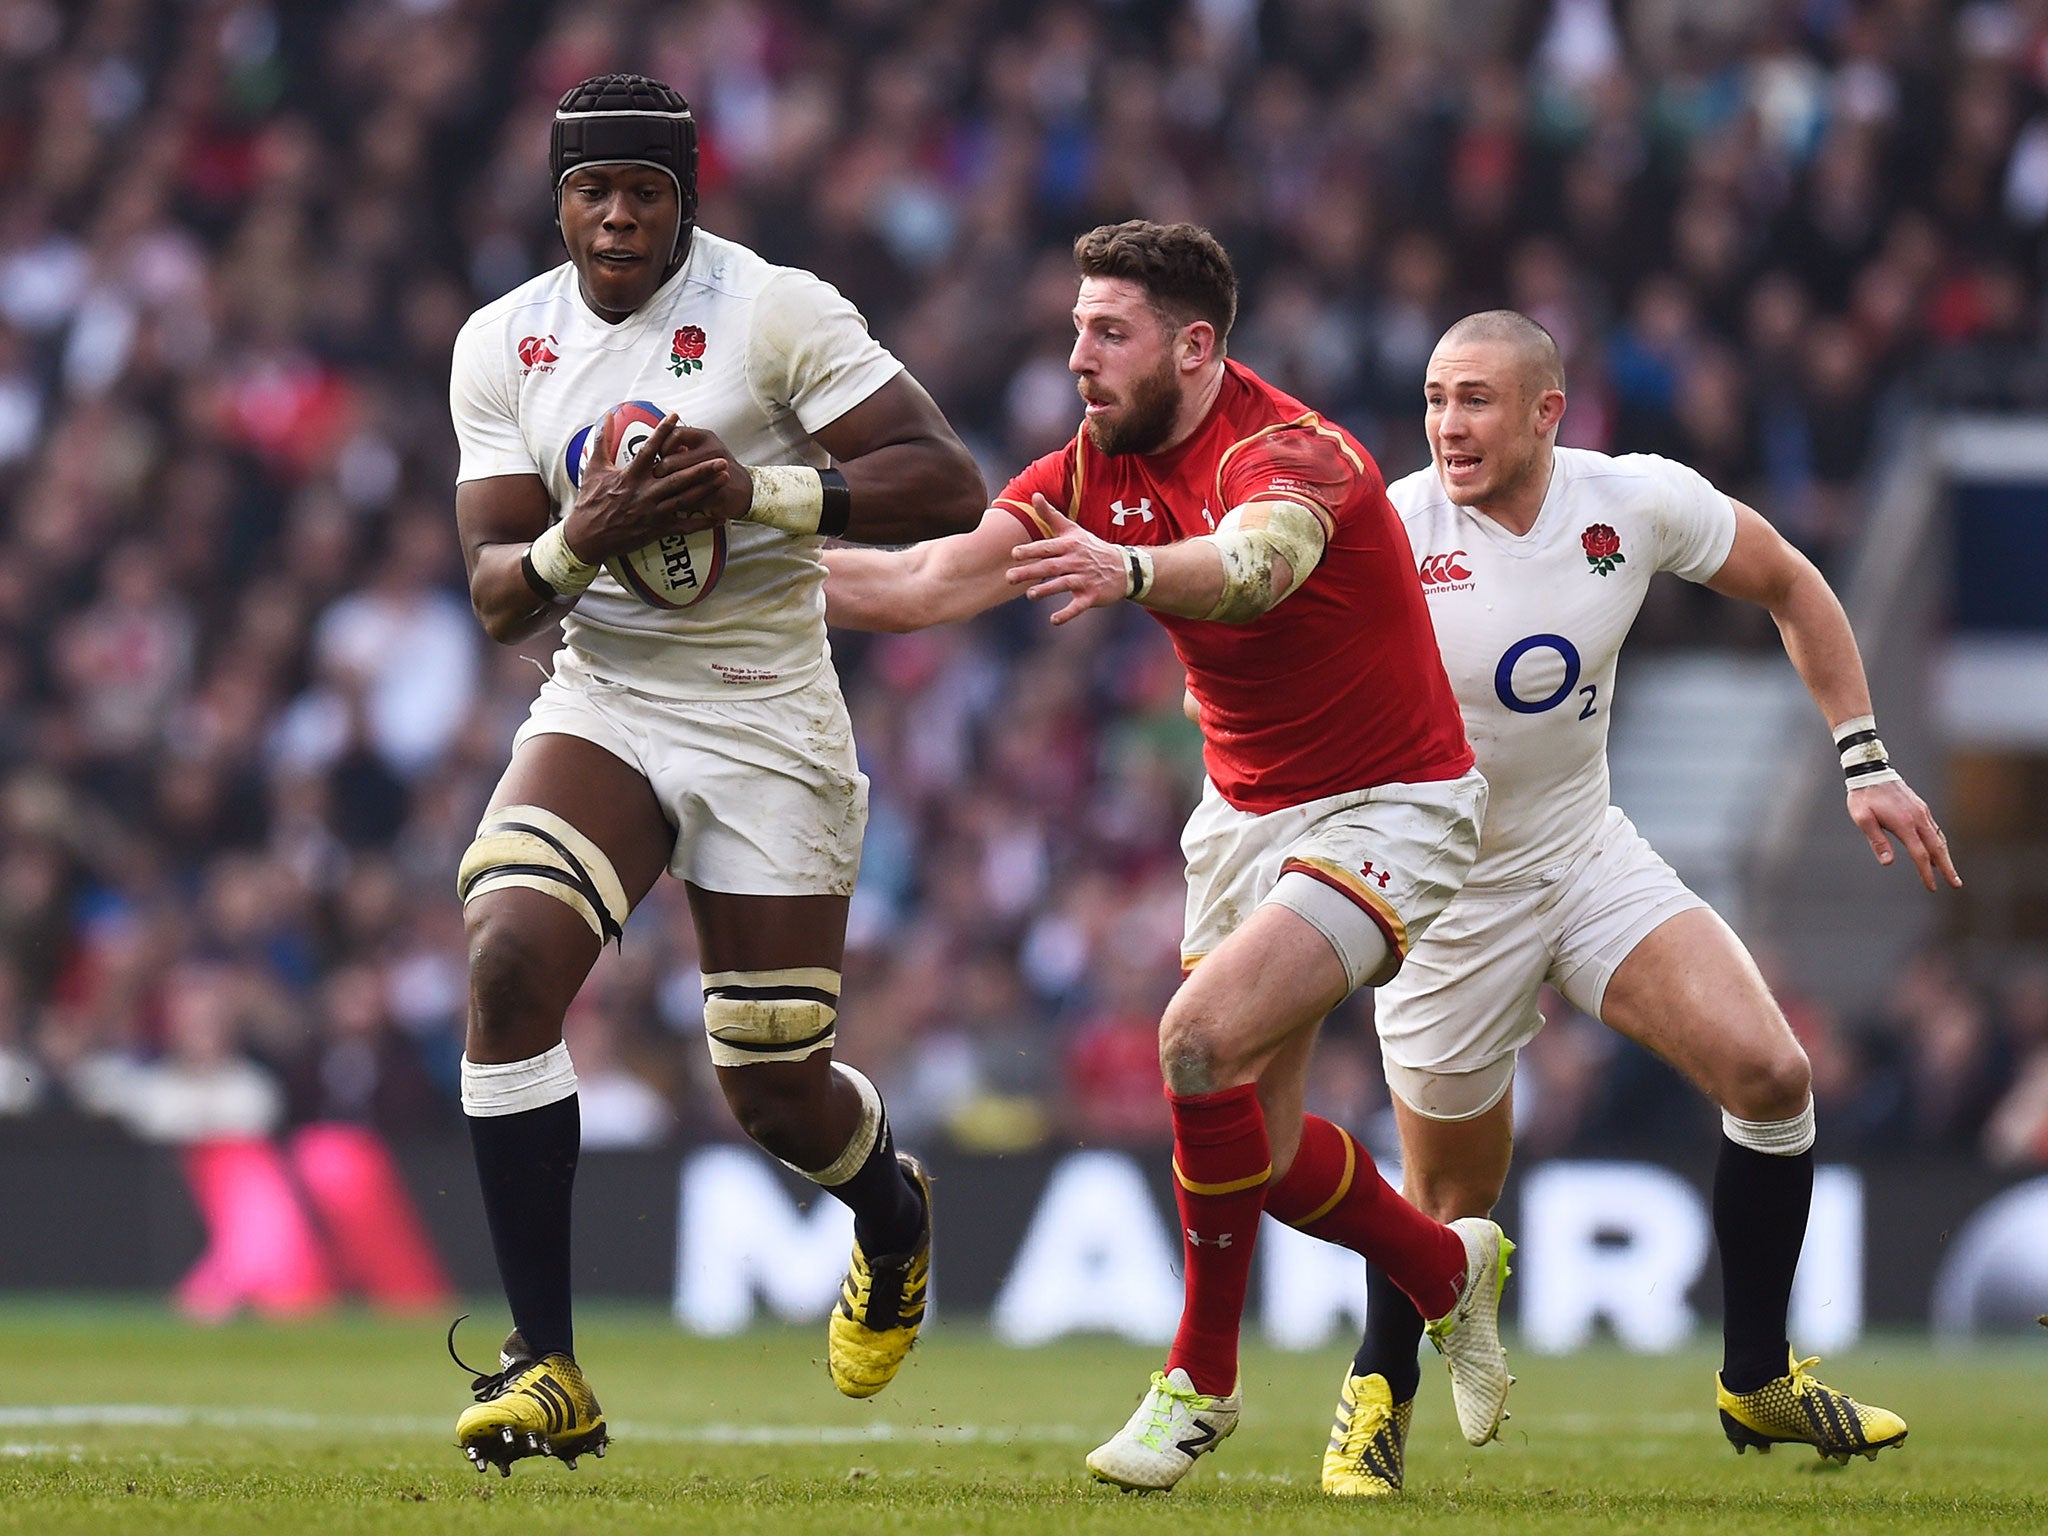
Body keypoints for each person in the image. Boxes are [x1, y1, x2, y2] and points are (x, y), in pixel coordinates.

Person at [824, 220, 1511, 1495]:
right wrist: (725, 578)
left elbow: (1256, 567)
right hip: (1246, 818)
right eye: (1075, 327)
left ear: (1194, 346)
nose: (1076, 354)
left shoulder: (1293, 450)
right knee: (1258, 1134)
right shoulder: (1090, 465)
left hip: (1390, 803)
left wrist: (1128, 567)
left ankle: (1197, 1383)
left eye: (1108, 331)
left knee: (1193, 1041)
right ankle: (1442, 1268)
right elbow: (922, 580)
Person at [444, 74, 986, 1476]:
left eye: (646, 190)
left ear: (689, 197)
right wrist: (586, 539)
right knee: (506, 961)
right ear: (557, 200)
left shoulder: (776, 311)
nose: (618, 213)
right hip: (610, 695)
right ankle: (545, 1361)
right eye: (592, 190)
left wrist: (768, 491)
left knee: (771, 1089)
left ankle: (890, 1213)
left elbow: (945, 479)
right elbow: (501, 596)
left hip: (765, 717)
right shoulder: (503, 344)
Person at [1344, 309, 1960, 1491]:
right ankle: (1376, 1391)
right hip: (1443, 898)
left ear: (1545, 412)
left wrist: (1864, 758)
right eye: (1431, 398)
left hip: (1581, 856)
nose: (1445, 425)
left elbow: (1790, 582)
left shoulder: (1628, 503)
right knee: (1447, 1202)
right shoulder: (1387, 530)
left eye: (1473, 399)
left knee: (1771, 1076)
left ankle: (1754, 1376)